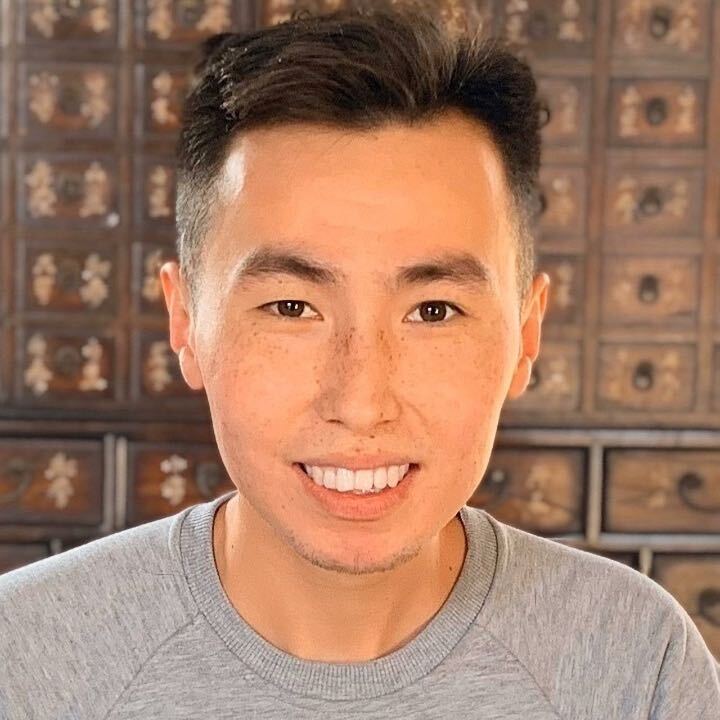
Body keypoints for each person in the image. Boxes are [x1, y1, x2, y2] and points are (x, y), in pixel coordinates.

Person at [1, 6, 718, 719]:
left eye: (433, 311)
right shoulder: (26, 660)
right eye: (292, 307)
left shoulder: (634, 662)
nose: (361, 401)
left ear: (526, 334)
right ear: (185, 320)